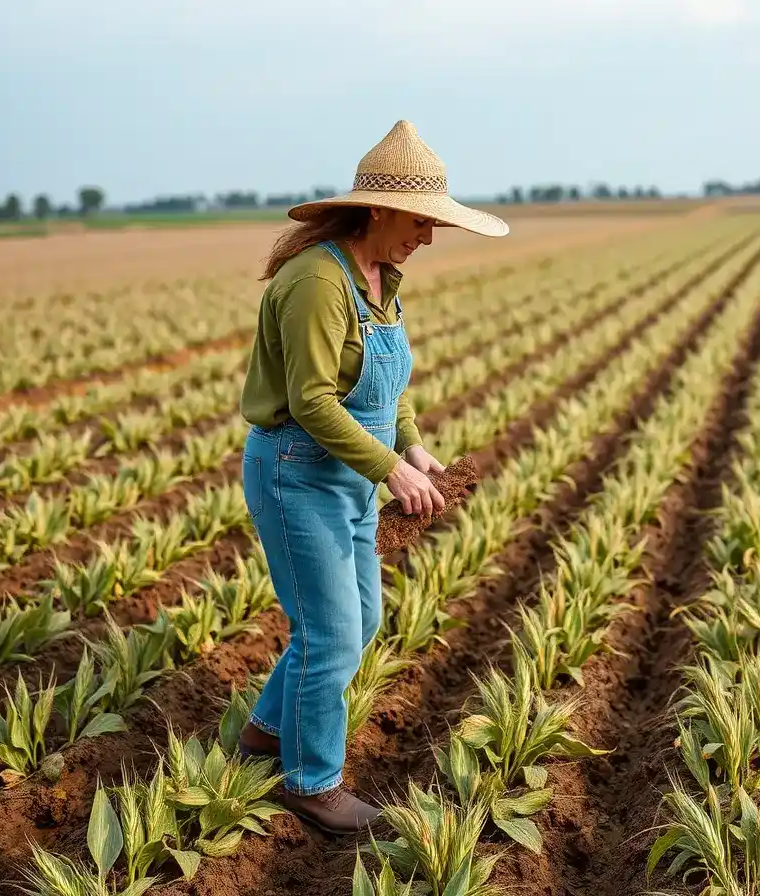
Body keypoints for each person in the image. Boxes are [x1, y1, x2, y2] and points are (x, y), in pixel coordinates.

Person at [235, 120, 508, 834]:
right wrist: (389, 469)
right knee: (327, 634)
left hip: (348, 478)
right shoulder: (317, 283)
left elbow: (388, 388)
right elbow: (311, 402)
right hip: (299, 474)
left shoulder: (381, 279)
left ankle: (266, 731)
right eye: (421, 221)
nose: (428, 236)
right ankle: (311, 782)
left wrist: (411, 447)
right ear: (379, 210)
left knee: (361, 621)